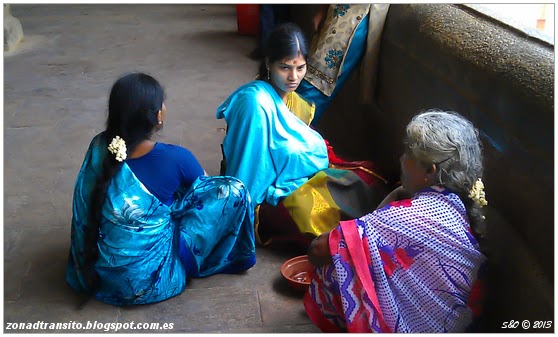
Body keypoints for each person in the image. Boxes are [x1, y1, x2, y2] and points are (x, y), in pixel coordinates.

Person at [66, 73, 256, 306]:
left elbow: (86, 201)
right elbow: (208, 190)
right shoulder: (177, 158)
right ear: (158, 116)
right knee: (231, 190)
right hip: (154, 283)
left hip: (101, 276)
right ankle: (222, 257)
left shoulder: (99, 146)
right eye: (162, 104)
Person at [304, 110, 488, 332]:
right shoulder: (458, 207)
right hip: (457, 325)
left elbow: (319, 250)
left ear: (430, 171)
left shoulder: (409, 216)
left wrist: (391, 199)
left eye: (407, 154)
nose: (401, 159)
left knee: (340, 261)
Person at [217, 23, 391, 252]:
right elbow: (249, 168)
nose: (294, 77)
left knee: (368, 180)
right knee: (312, 215)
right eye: (285, 68)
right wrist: (238, 209)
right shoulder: (254, 103)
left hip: (300, 174)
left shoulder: (291, 98)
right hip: (264, 195)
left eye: (300, 68)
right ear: (268, 63)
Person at [296, 4, 390, 125]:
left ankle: (290, 134)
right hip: (336, 16)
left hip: (353, 19)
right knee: (308, 79)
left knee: (315, 84)